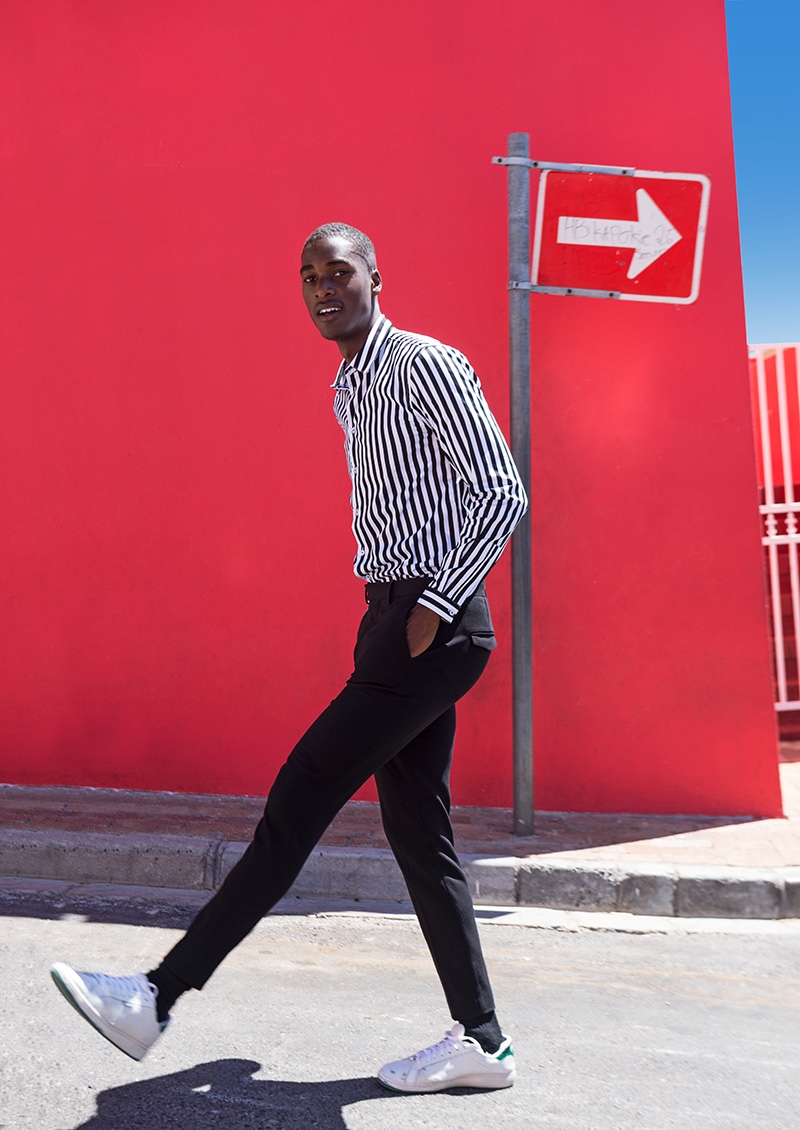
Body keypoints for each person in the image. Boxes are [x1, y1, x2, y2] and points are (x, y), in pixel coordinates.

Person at [51, 222, 528, 1094]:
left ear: (376, 276)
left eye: (338, 270)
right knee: (422, 837)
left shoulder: (425, 363)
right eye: (308, 275)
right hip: (391, 619)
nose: (321, 286)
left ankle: (156, 997)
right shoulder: (350, 384)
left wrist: (429, 606)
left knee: (296, 801)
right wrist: (394, 615)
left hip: (432, 620)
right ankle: (482, 1042)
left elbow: (502, 489)